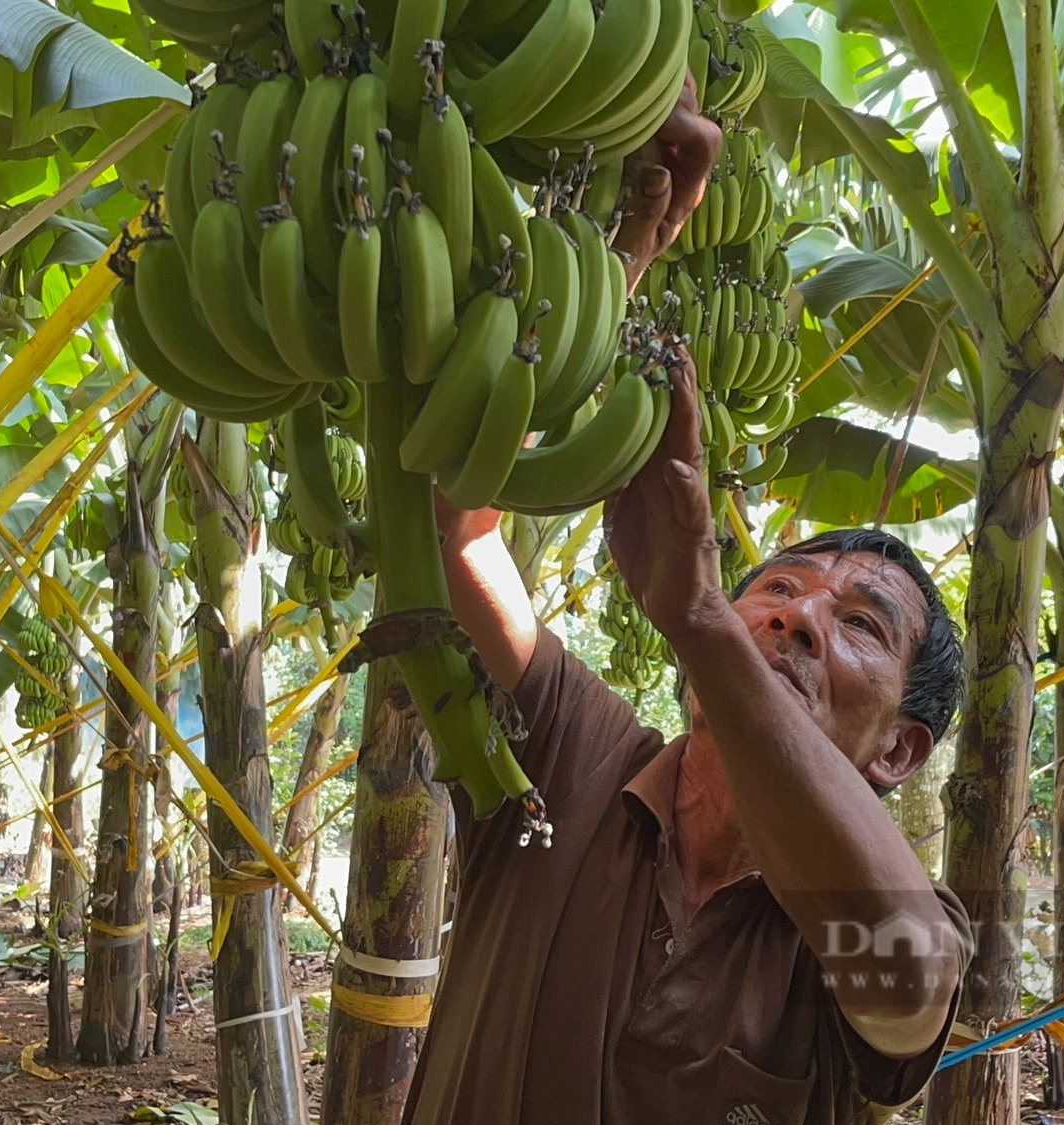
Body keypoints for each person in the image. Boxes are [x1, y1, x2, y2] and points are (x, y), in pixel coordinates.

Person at [399, 78, 973, 1125]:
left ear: (896, 750)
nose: (797, 616)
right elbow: (460, 529)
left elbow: (903, 984)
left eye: (858, 625)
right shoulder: (578, 757)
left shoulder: (870, 927)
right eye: (778, 590)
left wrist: (706, 619)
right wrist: (619, 261)